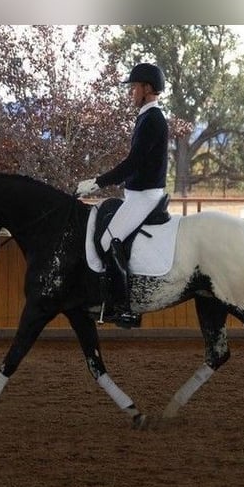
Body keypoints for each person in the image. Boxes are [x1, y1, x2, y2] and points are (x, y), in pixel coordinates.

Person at [76, 62, 169, 326]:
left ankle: (124, 308)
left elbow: (132, 163)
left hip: (145, 196)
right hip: (137, 194)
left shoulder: (153, 119)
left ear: (147, 89)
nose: (131, 93)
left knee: (108, 242)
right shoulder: (146, 117)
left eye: (135, 88)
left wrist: (97, 182)